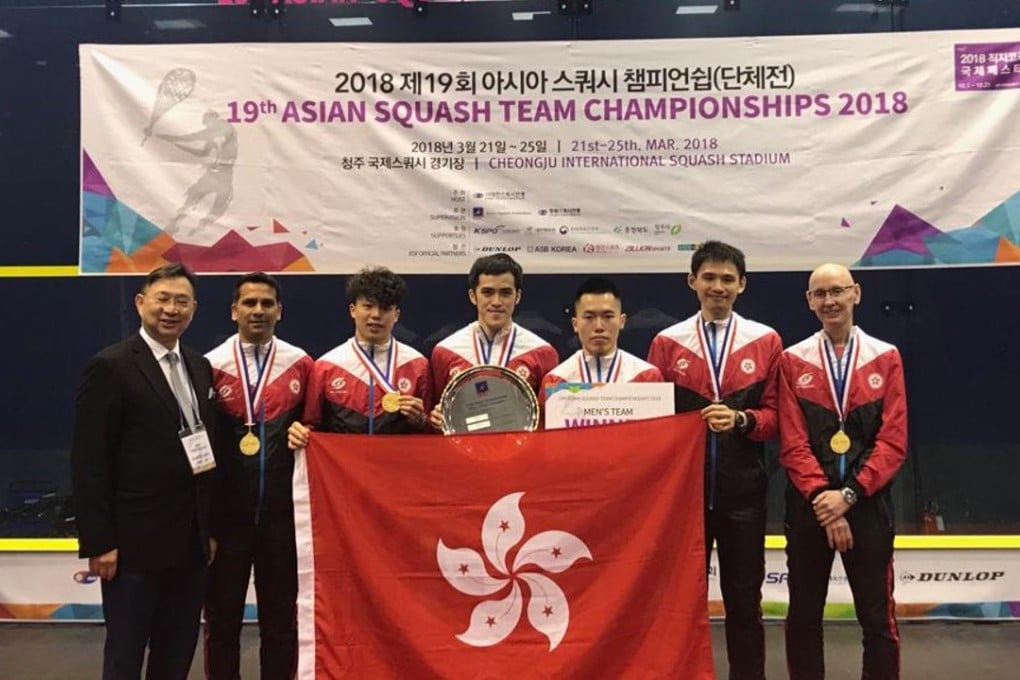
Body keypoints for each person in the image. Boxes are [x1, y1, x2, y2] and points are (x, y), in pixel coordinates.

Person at [71, 263, 218, 680]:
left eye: (182, 301)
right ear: (141, 303)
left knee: (176, 652)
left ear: (194, 309)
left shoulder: (198, 366)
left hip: (189, 544)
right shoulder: (111, 366)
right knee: (125, 655)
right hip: (131, 546)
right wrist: (99, 543)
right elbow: (89, 461)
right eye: (163, 299)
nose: (171, 309)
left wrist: (207, 529)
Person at [647, 241, 780, 680]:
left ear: (742, 285)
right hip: (684, 499)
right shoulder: (667, 344)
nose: (717, 287)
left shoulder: (765, 341)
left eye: (727, 279)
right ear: (692, 282)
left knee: (744, 602)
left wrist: (742, 418)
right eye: (709, 277)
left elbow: (776, 418)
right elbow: (653, 422)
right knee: (681, 603)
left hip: (744, 494)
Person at [779, 263, 907, 680]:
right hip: (809, 508)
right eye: (820, 293)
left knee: (877, 620)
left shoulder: (885, 357)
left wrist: (848, 495)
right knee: (803, 619)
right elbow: (792, 443)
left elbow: (893, 442)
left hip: (867, 506)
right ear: (809, 302)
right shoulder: (791, 361)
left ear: (857, 293)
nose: (830, 300)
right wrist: (824, 500)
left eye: (837, 290)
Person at [203, 273, 313, 680]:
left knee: (281, 625)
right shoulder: (210, 366)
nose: (258, 311)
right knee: (222, 622)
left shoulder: (301, 364)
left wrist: (309, 433)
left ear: (279, 311)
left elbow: (316, 429)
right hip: (227, 522)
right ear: (234, 311)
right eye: (249, 303)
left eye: (267, 303)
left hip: (281, 521)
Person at [289, 266, 430, 447]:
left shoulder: (417, 365)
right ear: (353, 310)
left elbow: (430, 432)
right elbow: (311, 425)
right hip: (344, 472)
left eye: (385, 308)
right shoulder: (326, 366)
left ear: (396, 315)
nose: (376, 315)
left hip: (397, 470)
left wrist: (419, 420)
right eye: (368, 306)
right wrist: (299, 434)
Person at [429, 253, 558, 430]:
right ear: (473, 296)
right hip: (462, 454)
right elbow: (435, 414)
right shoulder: (445, 351)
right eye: (487, 292)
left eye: (505, 293)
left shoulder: (542, 352)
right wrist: (435, 418)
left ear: (517, 296)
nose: (496, 302)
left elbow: (548, 423)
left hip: (522, 454)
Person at [540, 276, 662, 409]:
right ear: (575, 324)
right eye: (589, 317)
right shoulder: (556, 380)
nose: (599, 326)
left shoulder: (646, 377)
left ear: (622, 321)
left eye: (608, 316)